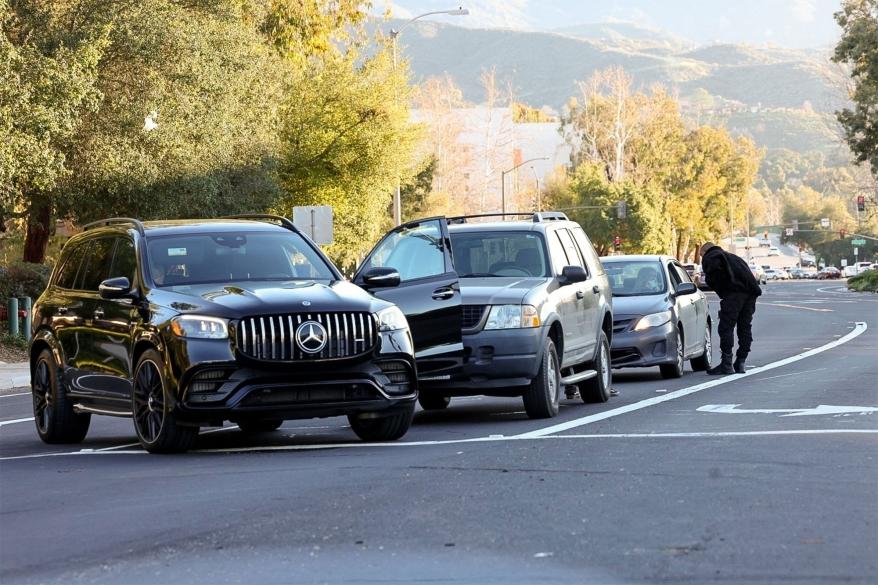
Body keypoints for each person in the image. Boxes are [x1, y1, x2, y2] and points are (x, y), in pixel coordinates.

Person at [699, 242, 762, 375]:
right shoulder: (734, 257)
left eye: (701, 255)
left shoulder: (711, 257)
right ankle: (740, 362)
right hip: (751, 293)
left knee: (726, 327)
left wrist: (723, 290)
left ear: (705, 252)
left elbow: (713, 277)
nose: (701, 259)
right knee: (745, 327)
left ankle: (726, 364)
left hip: (733, 294)